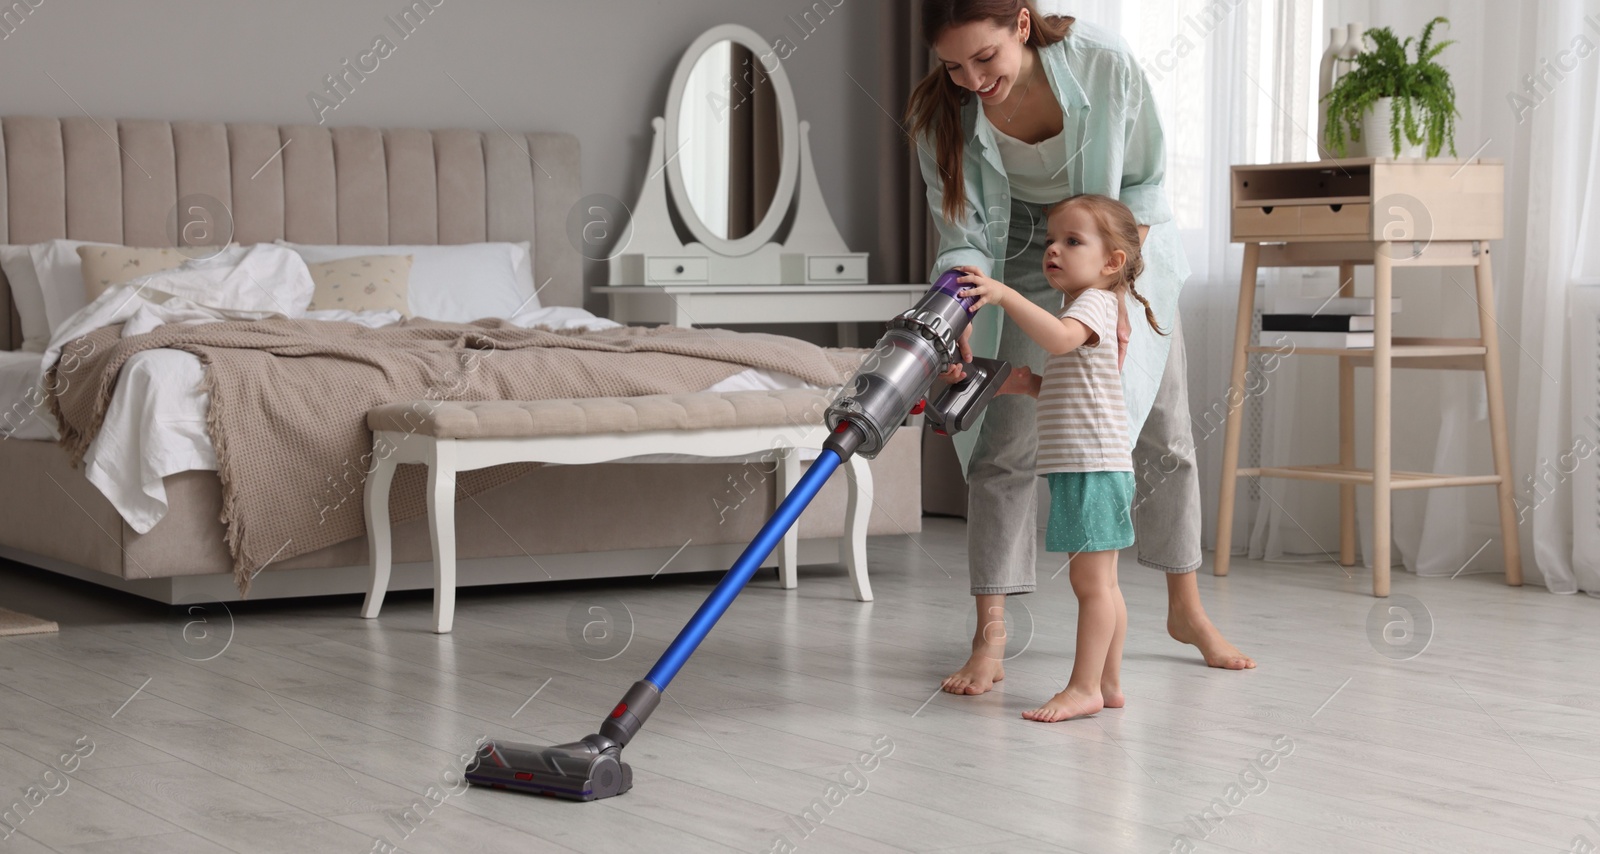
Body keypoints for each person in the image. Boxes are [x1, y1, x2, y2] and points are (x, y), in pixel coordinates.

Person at [904, 0, 1255, 696]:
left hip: (1116, 241)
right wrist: (963, 303)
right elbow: (964, 232)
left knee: (1163, 431)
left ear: (1023, 25)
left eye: (986, 59)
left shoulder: (1107, 66)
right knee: (1002, 442)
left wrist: (1117, 280)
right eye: (954, 66)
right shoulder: (938, 114)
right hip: (1014, 254)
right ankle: (991, 634)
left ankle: (1185, 610)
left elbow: (1146, 181)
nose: (972, 80)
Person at [955, 194, 1159, 720]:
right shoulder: (1089, 304)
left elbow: (1061, 339)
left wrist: (1003, 294)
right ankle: (1108, 683)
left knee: (1091, 585)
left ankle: (1084, 687)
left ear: (1111, 261)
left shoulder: (1092, 302)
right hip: (1093, 464)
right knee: (1103, 584)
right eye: (1050, 241)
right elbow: (1080, 387)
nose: (1053, 250)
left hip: (1092, 466)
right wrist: (1030, 385)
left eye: (1072, 241)